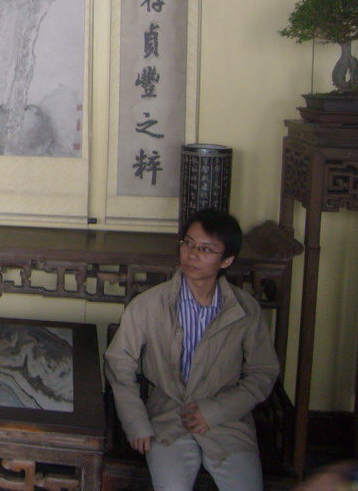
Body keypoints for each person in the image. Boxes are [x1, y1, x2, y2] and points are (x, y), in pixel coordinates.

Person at [104, 208, 279, 491]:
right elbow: (119, 362)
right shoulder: (150, 304)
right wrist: (135, 422)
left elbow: (262, 372)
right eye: (188, 243)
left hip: (227, 421)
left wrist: (217, 411)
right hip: (167, 417)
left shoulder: (245, 310)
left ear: (227, 260)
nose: (192, 254)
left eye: (206, 249)